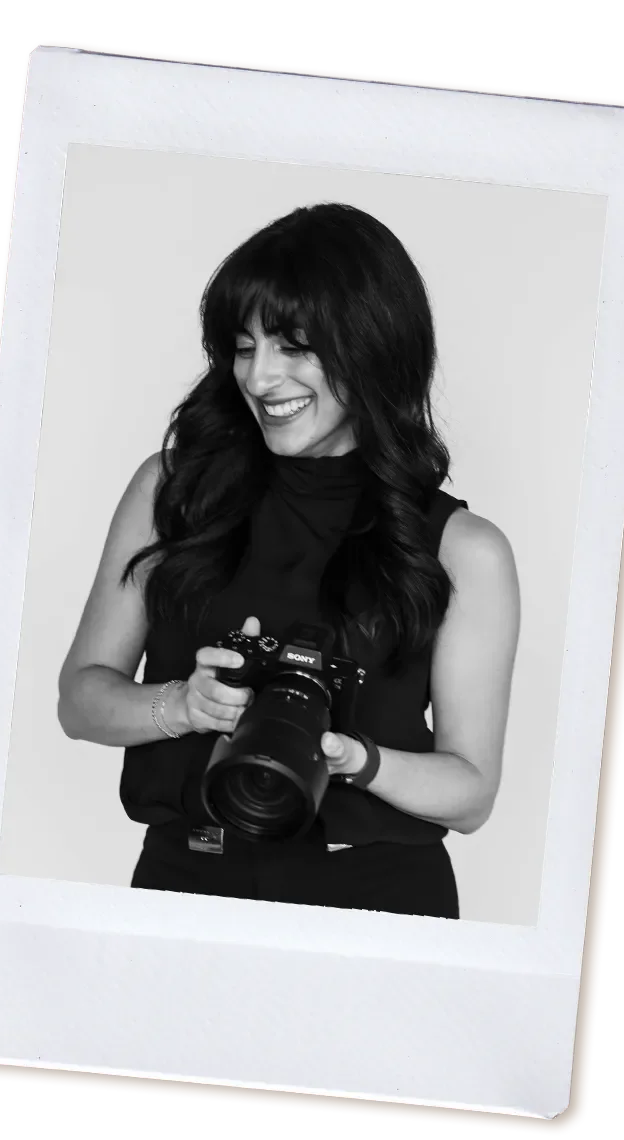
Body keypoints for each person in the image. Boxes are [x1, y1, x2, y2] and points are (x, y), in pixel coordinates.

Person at [57, 203, 520, 920]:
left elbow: (470, 794)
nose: (260, 378)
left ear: (371, 346)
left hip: (375, 899)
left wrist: (354, 758)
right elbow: (80, 702)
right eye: (242, 347)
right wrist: (180, 706)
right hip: (186, 878)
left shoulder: (464, 549)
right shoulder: (173, 489)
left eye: (293, 346)